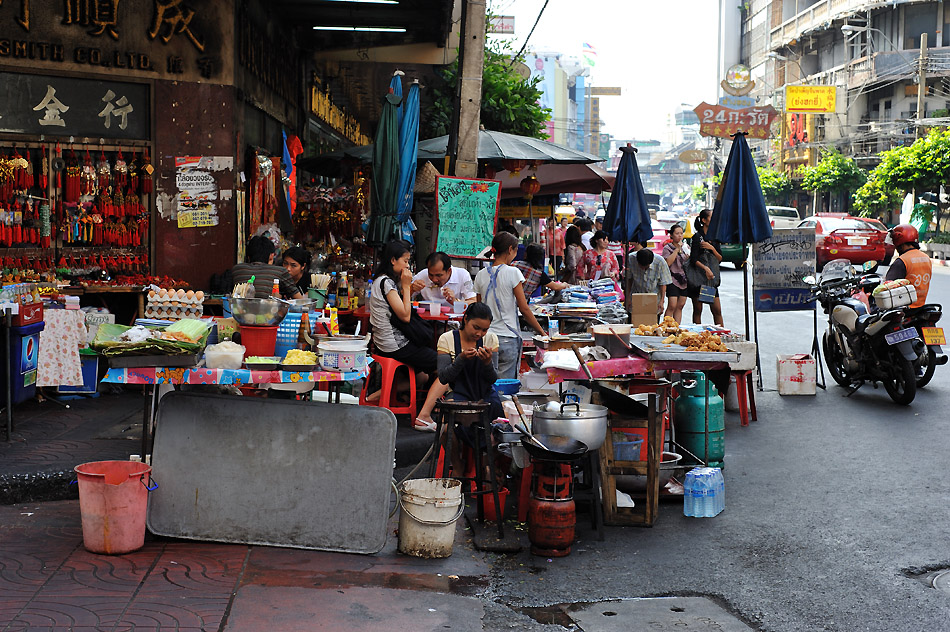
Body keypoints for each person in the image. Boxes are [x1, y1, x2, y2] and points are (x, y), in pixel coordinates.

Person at [413, 302, 502, 431]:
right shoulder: (447, 339)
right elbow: (443, 377)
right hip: (458, 394)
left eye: (484, 330)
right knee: (454, 427)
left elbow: (493, 378)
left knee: (497, 425)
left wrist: (487, 363)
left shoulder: (490, 339)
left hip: (485, 394)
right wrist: (461, 359)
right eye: (476, 327)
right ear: (465, 319)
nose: (479, 334)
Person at [474, 232, 546, 379]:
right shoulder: (513, 272)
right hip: (507, 337)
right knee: (504, 389)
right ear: (510, 250)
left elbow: (479, 308)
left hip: (486, 339)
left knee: (486, 383)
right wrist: (541, 332)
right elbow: (524, 308)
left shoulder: (481, 275)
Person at [369, 240, 438, 375]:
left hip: (383, 342)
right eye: (405, 261)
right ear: (393, 260)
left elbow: (400, 306)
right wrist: (407, 287)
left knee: (421, 377)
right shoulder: (386, 282)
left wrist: (408, 289)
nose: (407, 266)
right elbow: (405, 317)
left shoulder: (382, 280)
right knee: (442, 363)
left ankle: (376, 397)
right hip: (393, 343)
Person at [231, 235, 303, 299]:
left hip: (240, 311)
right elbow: (299, 299)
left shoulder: (237, 269)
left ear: (248, 256)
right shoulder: (280, 271)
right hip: (268, 311)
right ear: (271, 256)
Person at [687, 210, 724, 326]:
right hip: (699, 280)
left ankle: (721, 335)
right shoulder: (697, 237)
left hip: (710, 281)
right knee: (698, 310)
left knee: (717, 310)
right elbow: (693, 259)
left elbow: (719, 258)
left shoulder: (715, 237)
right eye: (711, 217)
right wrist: (705, 268)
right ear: (704, 220)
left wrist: (712, 248)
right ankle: (697, 335)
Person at [885, 223, 932, 308]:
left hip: (904, 308)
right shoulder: (926, 258)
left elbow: (887, 287)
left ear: (899, 241)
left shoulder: (902, 261)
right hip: (920, 306)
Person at [410, 251, 476, 305]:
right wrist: (411, 289)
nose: (434, 279)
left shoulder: (463, 275)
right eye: (431, 275)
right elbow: (403, 296)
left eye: (439, 275)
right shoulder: (423, 275)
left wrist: (455, 301)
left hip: (451, 319)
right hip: (425, 319)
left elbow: (473, 301)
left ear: (449, 271)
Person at [627, 248, 672, 320]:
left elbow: (663, 283)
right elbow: (628, 279)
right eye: (641, 266)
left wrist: (661, 302)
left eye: (646, 267)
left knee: (652, 326)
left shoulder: (660, 262)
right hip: (636, 296)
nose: (643, 269)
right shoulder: (631, 258)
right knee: (634, 323)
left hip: (653, 298)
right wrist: (628, 297)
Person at [662, 224, 690, 322]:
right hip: (672, 279)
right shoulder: (667, 248)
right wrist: (676, 250)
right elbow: (667, 263)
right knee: (672, 305)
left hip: (684, 279)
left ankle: (676, 327)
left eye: (681, 233)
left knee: (680, 305)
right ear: (672, 235)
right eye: (677, 233)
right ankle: (666, 326)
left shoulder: (686, 247)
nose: (679, 236)